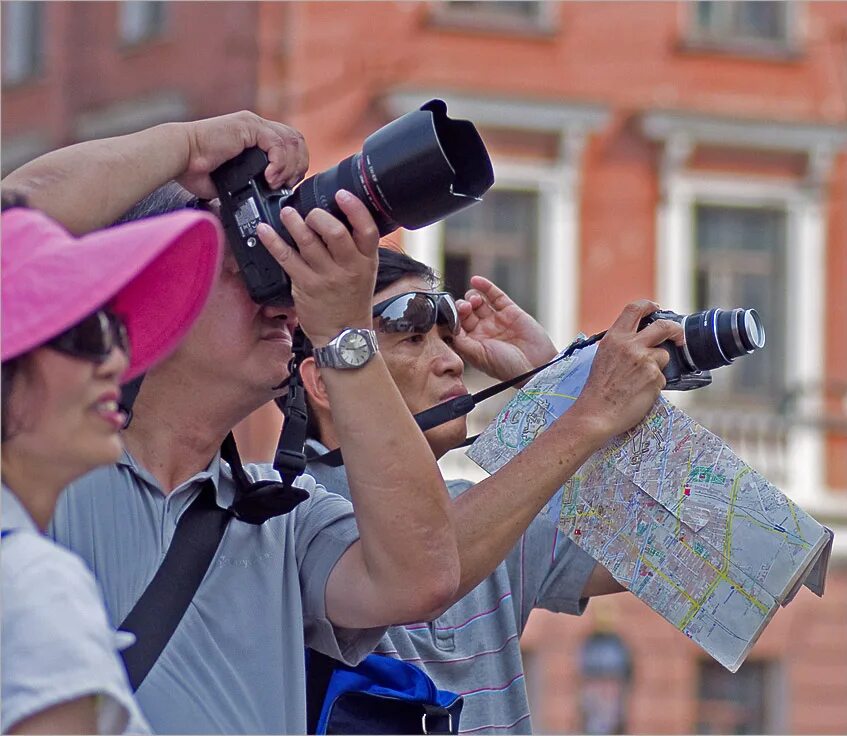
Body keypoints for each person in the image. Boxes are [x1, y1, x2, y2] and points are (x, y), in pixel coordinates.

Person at [4, 112, 461, 734]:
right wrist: (186, 146)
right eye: (247, 267)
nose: (283, 298)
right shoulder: (42, 467)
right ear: (152, 290)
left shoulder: (280, 514)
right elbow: (16, 229)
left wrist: (344, 333)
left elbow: (423, 575)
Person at [297, 247, 683, 733]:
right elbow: (424, 563)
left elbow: (684, 546)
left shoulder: (489, 515)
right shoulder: (287, 524)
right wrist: (590, 411)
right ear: (327, 381)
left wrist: (555, 382)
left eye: (446, 337)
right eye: (413, 337)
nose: (451, 361)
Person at [1, 194, 222, 734]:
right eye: (84, 334)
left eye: (115, 332)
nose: (118, 362)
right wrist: (190, 145)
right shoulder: (33, 579)